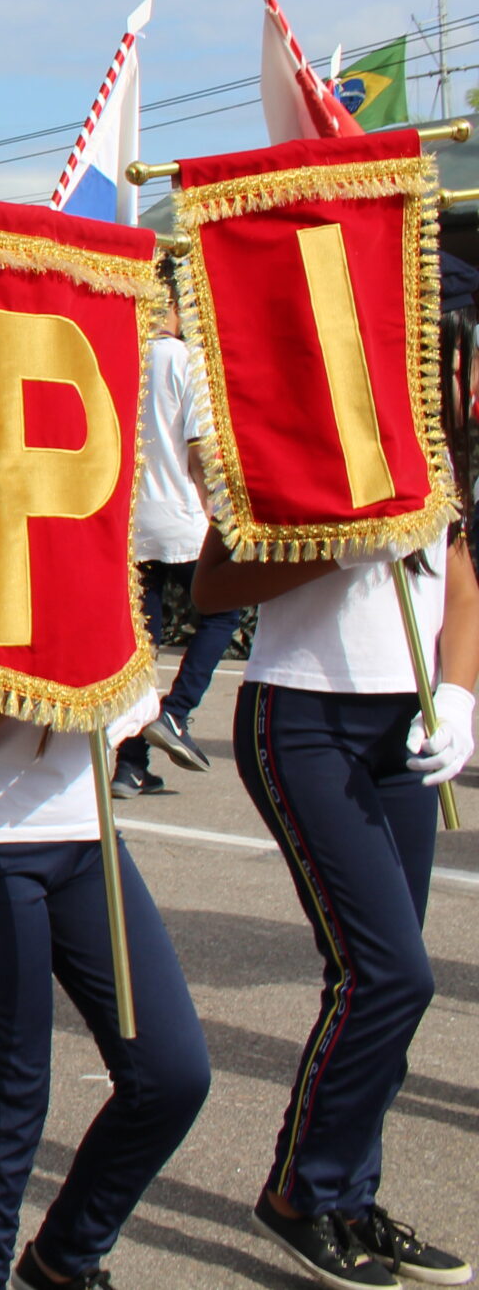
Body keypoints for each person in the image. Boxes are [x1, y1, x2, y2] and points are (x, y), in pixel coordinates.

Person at [192, 525, 475, 1288]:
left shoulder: (424, 421)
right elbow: (210, 585)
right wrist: (332, 547)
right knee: (390, 976)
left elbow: (460, 581)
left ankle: (350, 1197)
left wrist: (459, 693)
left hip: (403, 725)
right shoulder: (287, 422)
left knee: (382, 988)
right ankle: (300, 1191)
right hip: (305, 715)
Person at [0, 682, 210, 1289]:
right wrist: (56, 668)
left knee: (173, 1075)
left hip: (86, 838)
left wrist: (126, 682)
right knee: (8, 1102)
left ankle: (63, 1261)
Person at [116, 296, 231, 796]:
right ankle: (177, 713)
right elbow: (197, 447)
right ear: (175, 312)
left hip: (133, 522)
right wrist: (214, 508)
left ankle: (130, 764)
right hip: (182, 513)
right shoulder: (184, 358)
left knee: (145, 644)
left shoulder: (120, 357)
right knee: (225, 612)